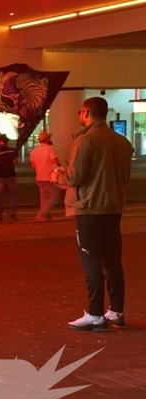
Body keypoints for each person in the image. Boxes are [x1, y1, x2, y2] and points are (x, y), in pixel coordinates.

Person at [52, 97, 133, 332]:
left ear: (86, 112)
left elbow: (75, 178)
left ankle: (95, 314)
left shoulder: (85, 141)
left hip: (89, 207)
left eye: (80, 111)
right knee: (113, 261)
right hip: (113, 207)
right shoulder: (122, 142)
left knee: (90, 260)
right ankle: (116, 311)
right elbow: (125, 177)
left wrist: (58, 176)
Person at [30, 131, 63, 221]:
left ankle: (45, 216)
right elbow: (55, 162)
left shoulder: (33, 151)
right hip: (49, 177)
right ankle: (42, 214)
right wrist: (59, 171)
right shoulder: (49, 148)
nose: (50, 139)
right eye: (49, 138)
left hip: (39, 177)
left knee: (44, 198)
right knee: (55, 196)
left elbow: (33, 165)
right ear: (46, 139)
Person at [0, 134, 19, 221]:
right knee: (14, 194)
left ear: (1, 142)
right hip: (11, 175)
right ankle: (13, 214)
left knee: (0, 195)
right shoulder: (13, 151)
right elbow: (17, 162)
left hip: (0, 176)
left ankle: (0, 214)